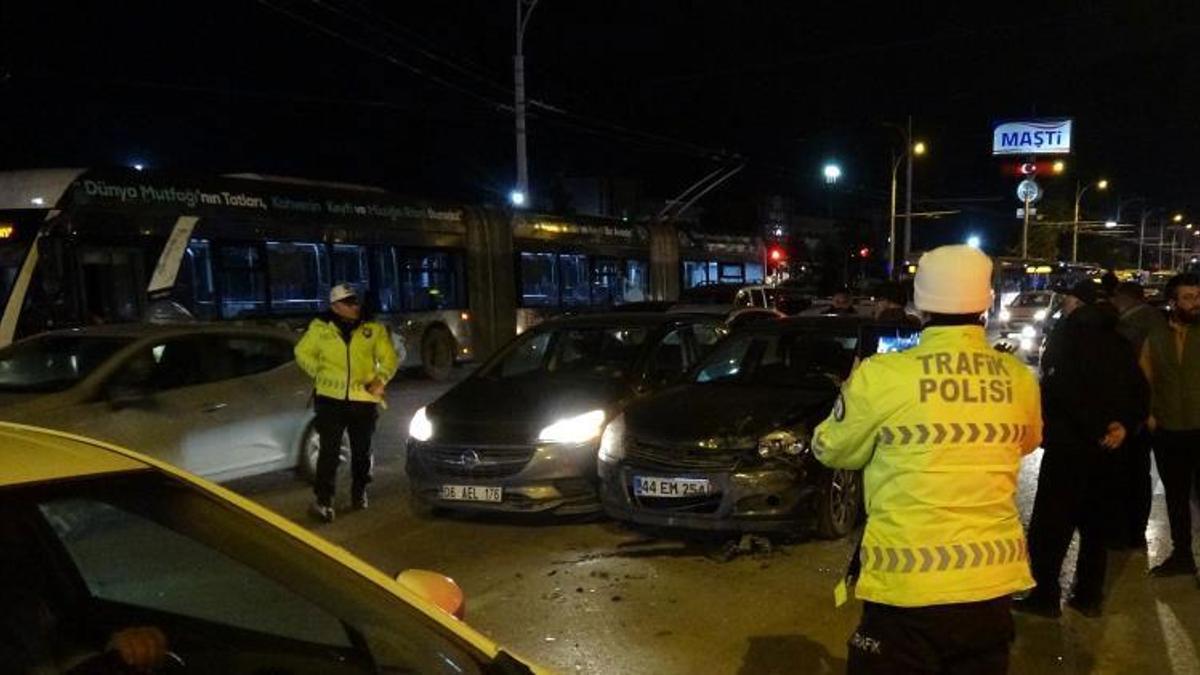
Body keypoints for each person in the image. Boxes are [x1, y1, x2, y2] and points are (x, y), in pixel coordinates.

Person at [813, 245, 1042, 673]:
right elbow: (1026, 443)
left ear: (919, 304)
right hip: (990, 584)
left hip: (906, 585)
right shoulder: (1017, 378)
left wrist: (853, 389)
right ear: (987, 303)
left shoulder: (884, 375)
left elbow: (831, 449)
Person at [1014, 281, 1148, 618]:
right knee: (1096, 525)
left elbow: (1062, 388)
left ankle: (1044, 594)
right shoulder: (1119, 338)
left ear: (1076, 302)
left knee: (1051, 524)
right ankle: (1088, 595)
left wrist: (1095, 428)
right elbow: (1139, 388)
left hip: (1069, 445)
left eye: (1068, 300)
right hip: (1108, 449)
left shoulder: (1067, 335)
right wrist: (1122, 426)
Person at [295, 283, 399, 522]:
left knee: (362, 451)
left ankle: (359, 491)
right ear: (335, 306)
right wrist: (318, 373)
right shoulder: (320, 328)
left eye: (355, 301)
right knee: (328, 452)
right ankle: (323, 501)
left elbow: (389, 358)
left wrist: (381, 379)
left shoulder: (372, 328)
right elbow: (302, 353)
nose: (355, 306)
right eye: (348, 302)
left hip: (363, 399)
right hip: (330, 400)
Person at [1141, 273, 1200, 577]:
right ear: (1173, 302)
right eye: (1188, 298)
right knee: (1176, 498)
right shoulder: (1157, 338)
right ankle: (1182, 556)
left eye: (1198, 296)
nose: (1195, 303)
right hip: (1169, 432)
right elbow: (1144, 380)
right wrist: (1150, 416)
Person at [1109, 281, 1169, 549]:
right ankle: (1132, 531)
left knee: (1131, 472)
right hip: (1142, 408)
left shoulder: (1134, 325)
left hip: (1138, 410)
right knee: (1137, 473)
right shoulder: (1154, 320)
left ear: (1123, 298)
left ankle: (1129, 532)